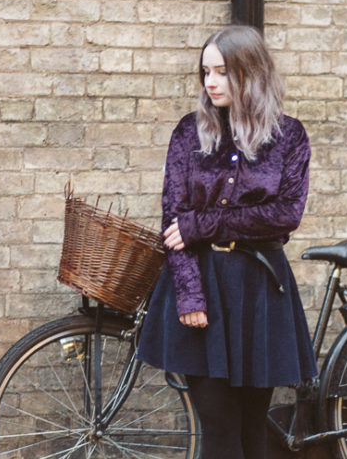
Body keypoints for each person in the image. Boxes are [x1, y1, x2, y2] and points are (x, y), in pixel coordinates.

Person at [137, 25, 317, 459]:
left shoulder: (289, 136)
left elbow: (284, 216)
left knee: (254, 431)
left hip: (260, 292)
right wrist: (189, 296)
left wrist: (205, 225)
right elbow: (173, 223)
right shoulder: (188, 133)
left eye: (221, 71)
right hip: (204, 288)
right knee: (219, 431)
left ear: (250, 73)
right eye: (205, 71)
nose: (210, 82)